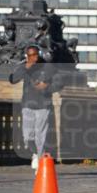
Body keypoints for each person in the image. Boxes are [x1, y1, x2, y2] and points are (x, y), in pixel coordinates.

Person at [9, 44, 59, 172]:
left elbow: (60, 83)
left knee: (40, 136)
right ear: (27, 55)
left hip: (43, 105)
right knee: (27, 137)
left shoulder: (48, 66)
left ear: (39, 54)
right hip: (27, 105)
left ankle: (40, 162)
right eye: (31, 55)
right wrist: (25, 68)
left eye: (36, 54)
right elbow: (12, 79)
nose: (34, 58)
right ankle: (36, 154)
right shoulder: (24, 66)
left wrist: (46, 87)